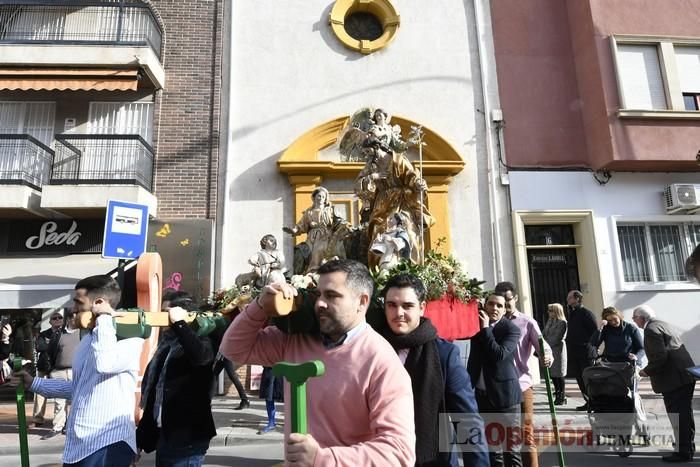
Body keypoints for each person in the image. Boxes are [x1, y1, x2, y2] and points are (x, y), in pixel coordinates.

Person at [219, 259, 416, 466]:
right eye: (319, 294)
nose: (320, 303)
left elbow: (399, 453)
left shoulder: (381, 362)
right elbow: (233, 349)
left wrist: (321, 458)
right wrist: (260, 305)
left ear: (362, 302)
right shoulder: (295, 340)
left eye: (332, 296)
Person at [15, 275, 144, 466]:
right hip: (79, 445)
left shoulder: (130, 341)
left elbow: (105, 363)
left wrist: (105, 319)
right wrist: (33, 383)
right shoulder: (87, 340)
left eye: (78, 302)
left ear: (99, 303)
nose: (73, 309)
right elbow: (79, 388)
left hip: (108, 443)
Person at [381, 273, 489, 467]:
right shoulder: (373, 348)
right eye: (391, 305)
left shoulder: (444, 354)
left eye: (407, 306)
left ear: (422, 307)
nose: (398, 313)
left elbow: (467, 421)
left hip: (432, 460)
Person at [137, 291, 217, 467]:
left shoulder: (202, 340)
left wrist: (181, 324)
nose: (162, 317)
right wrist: (140, 441)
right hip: (164, 435)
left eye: (166, 312)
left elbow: (201, 358)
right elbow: (154, 397)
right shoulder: (164, 346)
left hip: (187, 437)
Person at [494, 282, 552, 467]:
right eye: (502, 301)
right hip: (499, 387)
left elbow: (544, 346)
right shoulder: (491, 323)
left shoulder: (527, 322)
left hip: (521, 384)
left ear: (516, 298)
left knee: (526, 433)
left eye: (509, 300)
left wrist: (547, 357)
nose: (506, 305)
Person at [354, 137, 434, 268]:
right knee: (377, 231)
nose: (367, 155)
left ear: (376, 147)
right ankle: (379, 270)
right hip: (382, 203)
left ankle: (409, 267)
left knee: (407, 228)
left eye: (368, 152)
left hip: (402, 201)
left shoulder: (397, 160)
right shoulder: (371, 166)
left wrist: (418, 184)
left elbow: (412, 176)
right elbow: (357, 185)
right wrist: (372, 177)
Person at [633, 305, 696, 463]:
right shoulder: (662, 323)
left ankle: (683, 452)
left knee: (678, 416)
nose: (634, 321)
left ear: (641, 318)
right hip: (685, 374)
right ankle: (687, 446)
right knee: (684, 413)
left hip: (673, 378)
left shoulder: (651, 330)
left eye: (634, 318)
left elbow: (660, 357)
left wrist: (645, 371)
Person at [468, 292, 523, 467]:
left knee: (511, 450)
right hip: (482, 396)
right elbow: (474, 360)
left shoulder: (511, 329)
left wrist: (485, 329)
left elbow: (499, 355)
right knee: (493, 450)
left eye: (499, 305)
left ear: (505, 308)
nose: (494, 308)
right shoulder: (476, 325)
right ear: (485, 305)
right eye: (491, 304)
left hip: (505, 398)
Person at [283, 186, 347, 273]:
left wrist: (343, 226)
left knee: (318, 250)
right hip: (311, 238)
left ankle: (317, 271)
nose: (321, 198)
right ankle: (310, 274)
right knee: (305, 252)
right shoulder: (309, 212)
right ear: (314, 197)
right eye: (319, 196)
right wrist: (294, 230)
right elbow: (302, 224)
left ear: (326, 199)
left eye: (323, 197)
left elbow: (339, 221)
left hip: (326, 236)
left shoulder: (330, 209)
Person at [42, 309, 81, 439]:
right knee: (59, 402)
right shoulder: (59, 334)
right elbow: (50, 352)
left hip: (75, 371)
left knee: (74, 402)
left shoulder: (83, 334)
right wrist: (51, 370)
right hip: (59, 371)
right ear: (68, 319)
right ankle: (57, 427)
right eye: (73, 318)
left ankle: (70, 427)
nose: (75, 320)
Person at [565, 290, 598, 411]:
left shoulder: (586, 313)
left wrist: (594, 346)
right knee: (579, 378)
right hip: (575, 352)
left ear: (577, 299)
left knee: (588, 379)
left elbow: (595, 331)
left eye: (570, 298)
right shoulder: (573, 313)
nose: (567, 300)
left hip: (586, 352)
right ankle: (588, 401)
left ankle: (595, 402)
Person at [33, 310, 64, 429]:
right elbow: (40, 346)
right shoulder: (44, 333)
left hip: (58, 366)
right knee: (40, 392)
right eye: (54, 318)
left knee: (60, 395)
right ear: (50, 321)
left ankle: (59, 421)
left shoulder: (65, 333)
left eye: (59, 317)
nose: (57, 320)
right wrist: (55, 345)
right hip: (44, 366)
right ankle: (38, 418)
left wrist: (50, 344)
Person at [542, 303, 568, 405]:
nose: (548, 312)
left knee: (559, 374)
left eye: (551, 310)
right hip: (549, 350)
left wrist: (546, 344)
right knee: (552, 374)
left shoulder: (562, 322)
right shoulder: (550, 321)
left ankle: (561, 395)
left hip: (558, 351)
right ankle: (557, 392)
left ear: (556, 311)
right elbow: (544, 333)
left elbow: (557, 338)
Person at [257, 366, 283, 434]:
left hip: (284, 368)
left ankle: (293, 424)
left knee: (288, 396)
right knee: (269, 397)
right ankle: (271, 423)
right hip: (269, 369)